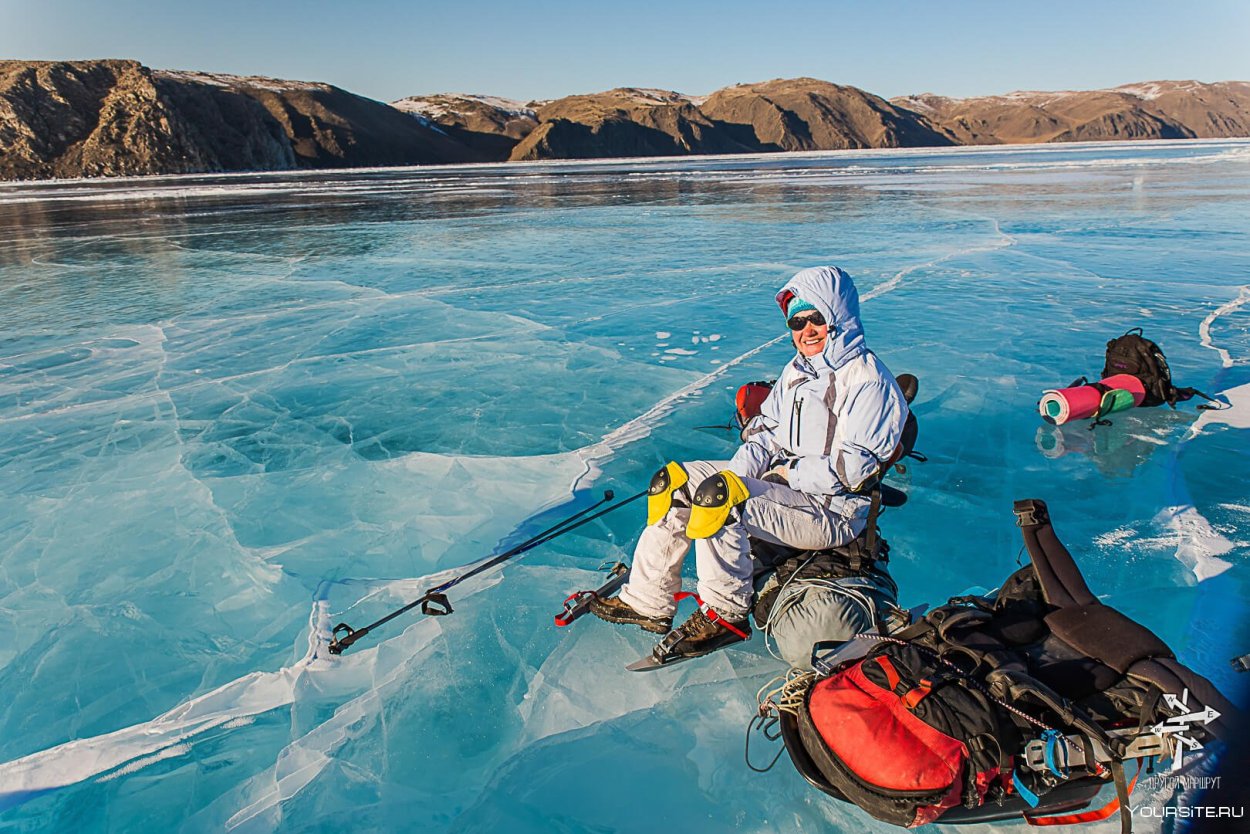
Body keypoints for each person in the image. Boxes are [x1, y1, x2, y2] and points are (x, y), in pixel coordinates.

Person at [591, 265, 911, 662]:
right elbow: (767, 435)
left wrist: (785, 474)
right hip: (793, 495)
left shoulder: (867, 381)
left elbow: (853, 470)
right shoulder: (797, 371)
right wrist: (734, 477)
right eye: (797, 321)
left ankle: (724, 614)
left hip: (834, 512)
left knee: (722, 499)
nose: (806, 329)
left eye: (817, 319)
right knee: (673, 482)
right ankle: (647, 601)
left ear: (840, 317)